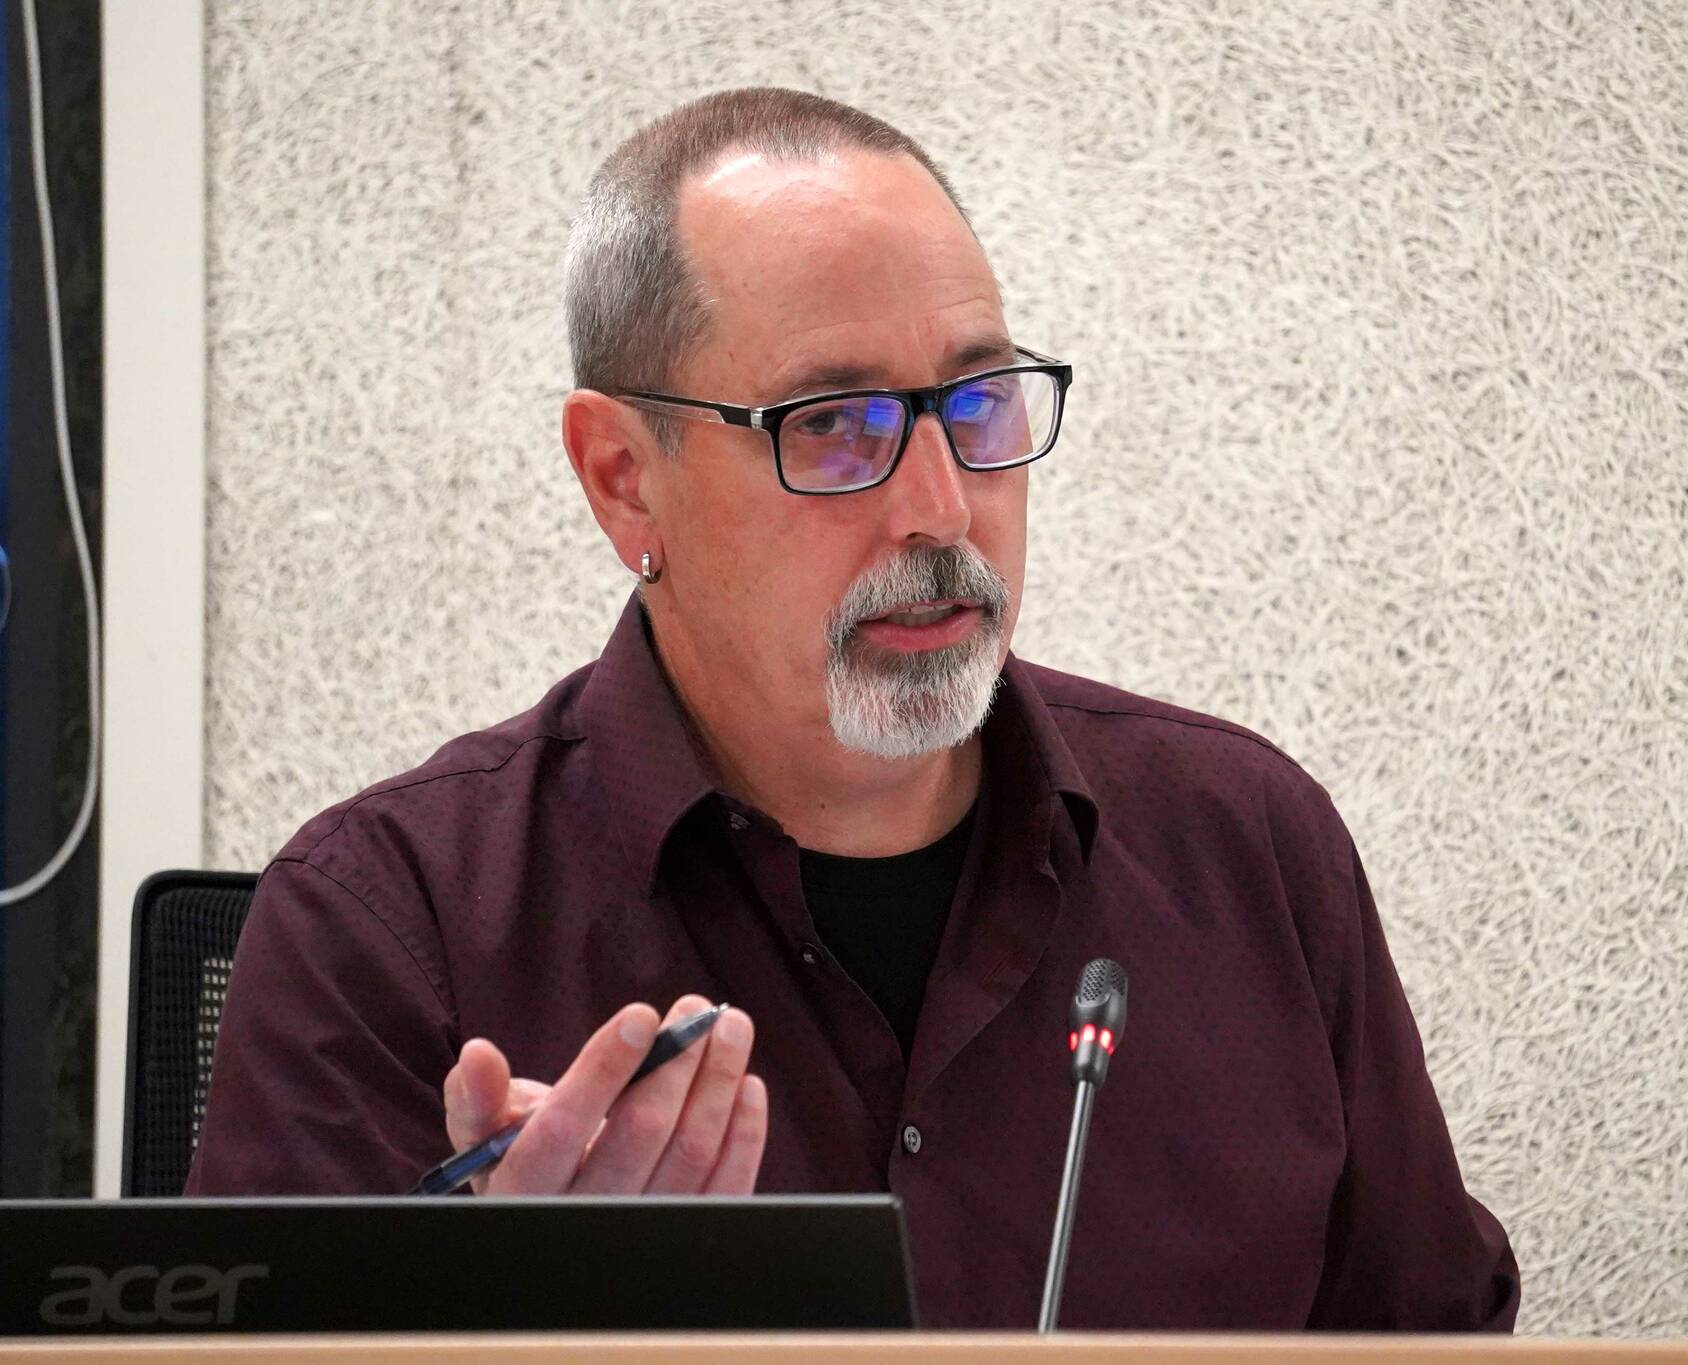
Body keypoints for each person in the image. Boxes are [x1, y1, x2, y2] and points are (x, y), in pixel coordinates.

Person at [187, 87, 1518, 1331]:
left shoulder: (1250, 849)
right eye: (834, 424)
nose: (943, 505)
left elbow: (1436, 1343)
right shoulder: (391, 923)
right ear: (621, 480)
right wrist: (509, 1342)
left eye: (981, 403)